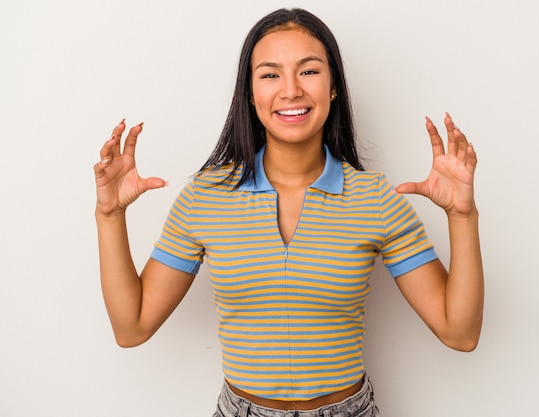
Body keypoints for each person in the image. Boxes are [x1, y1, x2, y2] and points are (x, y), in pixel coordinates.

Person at [94, 7, 483, 417]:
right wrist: (109, 216)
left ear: (333, 87)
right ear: (250, 92)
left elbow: (459, 333)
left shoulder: (377, 200)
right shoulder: (205, 197)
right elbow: (131, 327)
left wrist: (462, 216)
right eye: (270, 74)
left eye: (309, 71)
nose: (291, 90)